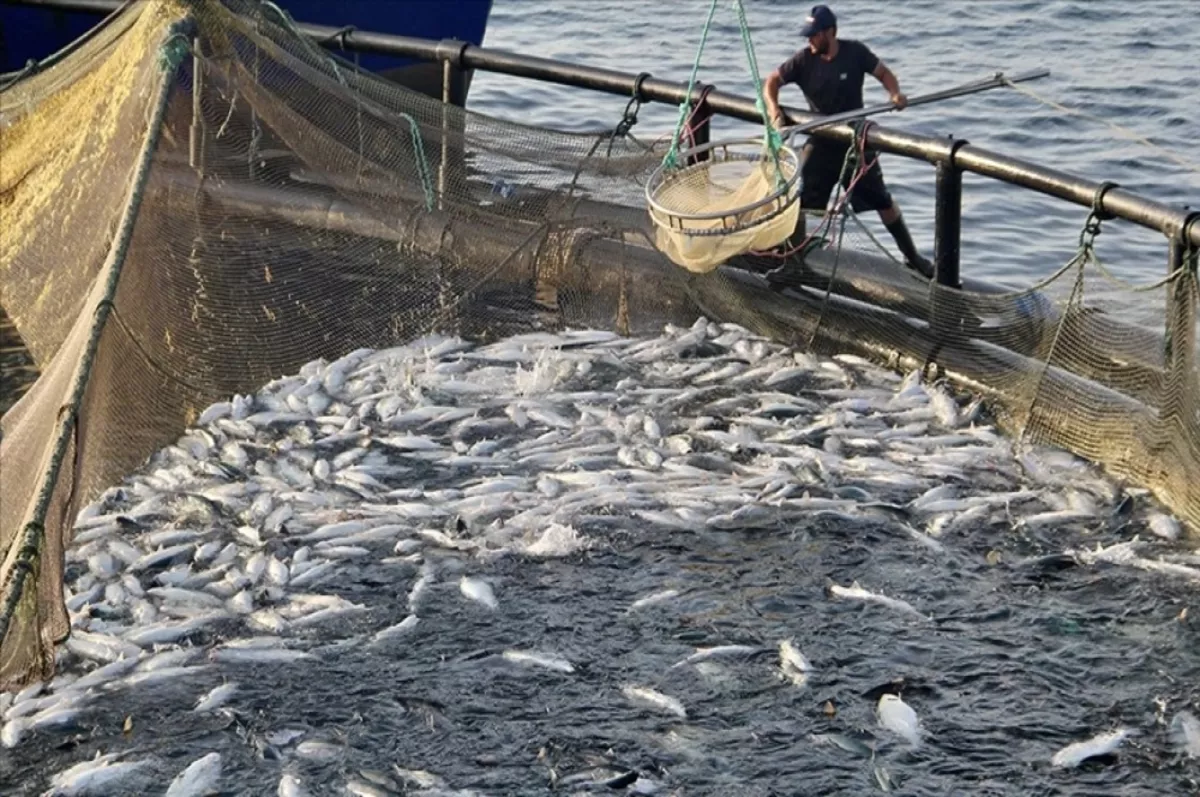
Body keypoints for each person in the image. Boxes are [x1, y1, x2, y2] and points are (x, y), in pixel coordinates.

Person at [762, 5, 934, 286]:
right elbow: (772, 81)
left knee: (882, 201)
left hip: (855, 142)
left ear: (830, 32)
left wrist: (895, 94)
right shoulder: (803, 61)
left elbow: (884, 74)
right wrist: (774, 110)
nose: (809, 40)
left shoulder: (855, 53)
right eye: (808, 35)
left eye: (814, 35)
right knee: (799, 200)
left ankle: (913, 257)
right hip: (821, 140)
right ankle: (793, 264)